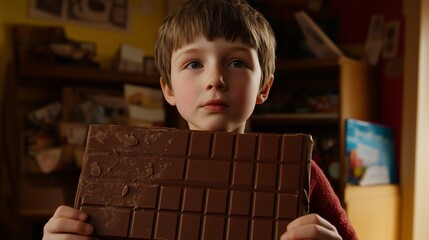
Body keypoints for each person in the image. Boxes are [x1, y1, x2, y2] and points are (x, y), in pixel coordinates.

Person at [43, 0, 357, 239]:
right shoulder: (125, 170)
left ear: (264, 87)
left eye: (236, 61)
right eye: (194, 63)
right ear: (168, 89)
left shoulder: (303, 174)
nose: (215, 79)